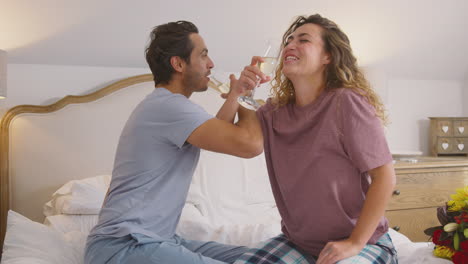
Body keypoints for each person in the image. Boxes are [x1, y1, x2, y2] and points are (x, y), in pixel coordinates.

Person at [84, 20, 269, 264]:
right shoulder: (170, 107)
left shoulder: (166, 106)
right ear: (178, 64)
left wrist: (238, 94)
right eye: (203, 55)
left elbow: (216, 133)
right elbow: (250, 145)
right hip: (123, 246)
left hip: (155, 240)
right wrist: (246, 98)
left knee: (265, 258)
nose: (211, 64)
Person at [244, 14, 398, 264]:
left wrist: (354, 243)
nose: (290, 45)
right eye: (289, 40)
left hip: (362, 242)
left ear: (328, 56)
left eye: (303, 40)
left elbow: (386, 177)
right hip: (299, 243)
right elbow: (225, 136)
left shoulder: (347, 102)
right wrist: (239, 92)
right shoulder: (273, 112)